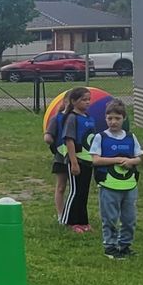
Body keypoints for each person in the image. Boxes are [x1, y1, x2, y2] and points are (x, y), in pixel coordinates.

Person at [84, 97, 142, 259]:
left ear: (124, 118)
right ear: (105, 119)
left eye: (117, 118)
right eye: (110, 118)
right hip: (108, 184)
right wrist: (117, 160)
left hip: (129, 184)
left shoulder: (130, 137)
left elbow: (138, 158)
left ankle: (125, 245)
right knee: (110, 217)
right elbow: (96, 160)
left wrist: (131, 161)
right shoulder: (100, 137)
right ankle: (110, 246)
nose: (113, 122)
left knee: (129, 218)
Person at [47, 87, 93, 233]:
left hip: (88, 161)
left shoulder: (88, 118)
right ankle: (69, 221)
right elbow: (69, 140)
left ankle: (83, 222)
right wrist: (73, 162)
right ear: (73, 101)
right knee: (75, 191)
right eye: (84, 100)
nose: (87, 103)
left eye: (88, 100)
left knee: (83, 192)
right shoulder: (71, 118)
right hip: (76, 161)